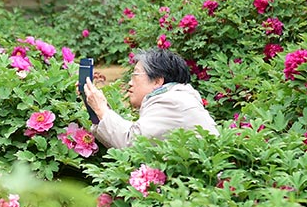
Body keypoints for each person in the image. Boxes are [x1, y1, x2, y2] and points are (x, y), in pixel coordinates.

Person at [82, 48, 218, 149]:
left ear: (157, 81)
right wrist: (96, 108)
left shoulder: (171, 102)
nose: (130, 82)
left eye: (135, 74)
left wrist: (101, 108)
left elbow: (132, 143)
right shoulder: (176, 97)